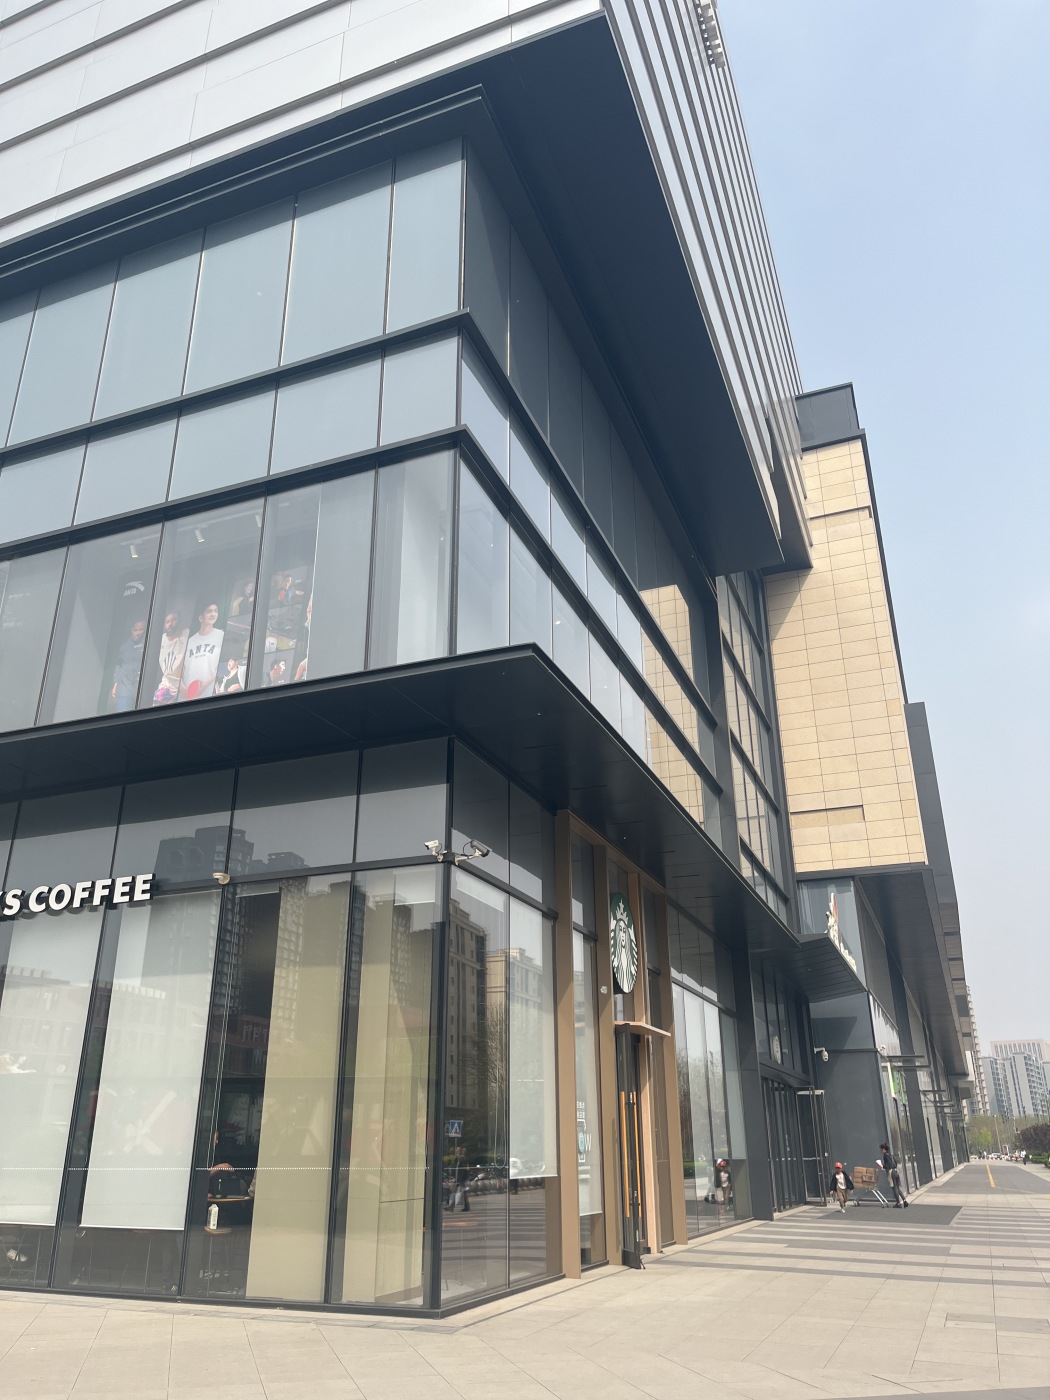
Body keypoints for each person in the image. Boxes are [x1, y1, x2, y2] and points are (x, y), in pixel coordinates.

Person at [180, 603, 224, 700]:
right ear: (201, 618)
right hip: (186, 698)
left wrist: (206, 684)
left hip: (208, 696)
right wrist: (181, 686)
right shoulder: (190, 641)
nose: (213, 614)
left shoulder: (221, 636)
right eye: (209, 611)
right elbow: (180, 670)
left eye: (215, 611)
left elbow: (223, 666)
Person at [153, 610, 188, 705]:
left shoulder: (186, 635)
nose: (170, 624)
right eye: (167, 621)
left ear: (179, 620)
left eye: (174, 620)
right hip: (166, 684)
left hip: (183, 685)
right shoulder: (160, 640)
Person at [110, 618, 146, 711]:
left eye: (141, 630)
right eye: (135, 630)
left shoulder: (149, 644)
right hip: (125, 689)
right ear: (131, 630)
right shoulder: (124, 647)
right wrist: (116, 683)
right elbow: (119, 666)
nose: (138, 633)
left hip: (143, 688)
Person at [880, 1142, 909, 1207]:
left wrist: (883, 1166)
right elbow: (895, 1163)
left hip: (891, 1172)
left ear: (883, 1149)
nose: (881, 1151)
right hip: (895, 1171)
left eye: (881, 1149)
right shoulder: (891, 1155)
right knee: (898, 1187)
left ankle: (898, 1203)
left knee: (894, 1188)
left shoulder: (885, 1155)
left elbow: (888, 1164)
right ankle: (904, 1201)